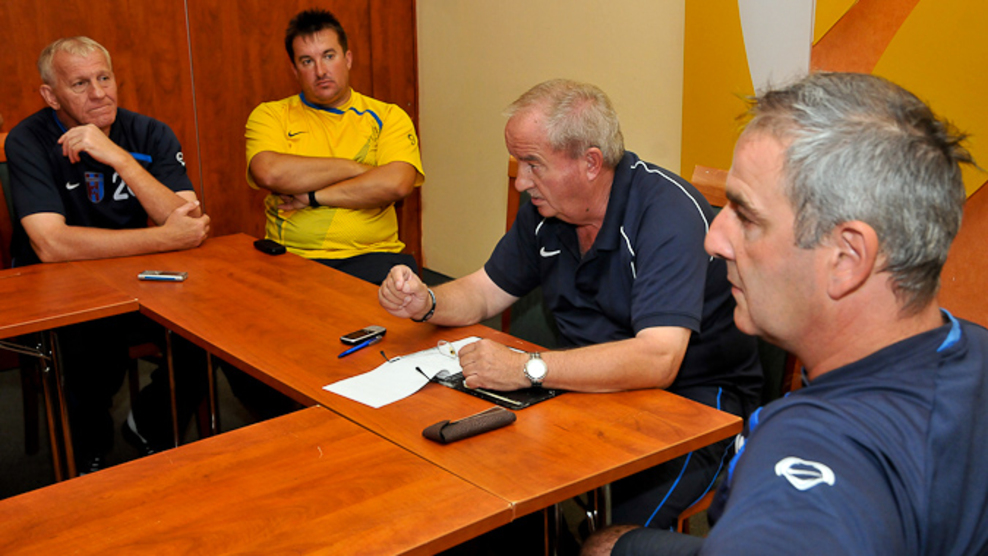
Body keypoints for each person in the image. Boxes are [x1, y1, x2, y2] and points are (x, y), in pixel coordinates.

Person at [585, 72, 988, 555]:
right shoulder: (973, 348)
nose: (714, 240)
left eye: (747, 216)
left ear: (847, 258)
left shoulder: (811, 451)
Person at [379, 79, 762, 529]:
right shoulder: (548, 210)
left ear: (591, 163)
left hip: (694, 403)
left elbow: (658, 359)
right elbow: (484, 290)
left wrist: (527, 368)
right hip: (585, 387)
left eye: (533, 164)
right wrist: (426, 300)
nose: (521, 181)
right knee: (480, 487)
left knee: (615, 539)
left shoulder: (666, 212)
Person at [6, 36, 211, 473]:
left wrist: (121, 159)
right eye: (80, 84)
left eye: (104, 78)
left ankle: (151, 426)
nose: (99, 93)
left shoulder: (150, 132)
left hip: (139, 279)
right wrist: (162, 239)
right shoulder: (28, 139)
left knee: (208, 333)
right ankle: (88, 457)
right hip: (59, 289)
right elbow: (50, 244)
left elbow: (189, 221)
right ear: (51, 96)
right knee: (94, 349)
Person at [245, 8, 425, 286]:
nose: (320, 71)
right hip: (292, 257)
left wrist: (312, 196)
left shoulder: (388, 116)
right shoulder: (270, 115)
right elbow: (269, 173)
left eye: (329, 56)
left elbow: (396, 184)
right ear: (294, 69)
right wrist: (356, 169)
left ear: (348, 59)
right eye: (307, 61)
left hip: (373, 257)